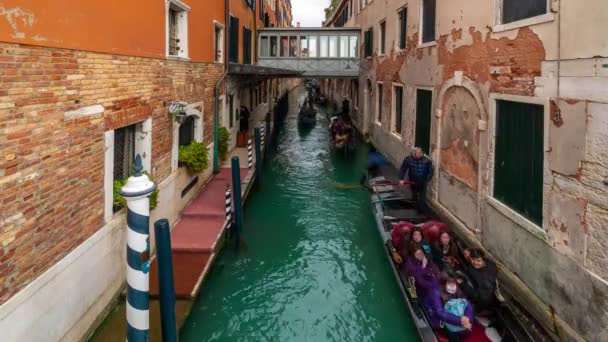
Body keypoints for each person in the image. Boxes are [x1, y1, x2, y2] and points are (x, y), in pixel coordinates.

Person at [424, 271, 474, 341]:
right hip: (437, 318)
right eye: (449, 284)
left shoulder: (457, 290)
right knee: (454, 334)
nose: (452, 287)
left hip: (452, 314)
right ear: (444, 283)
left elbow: (467, 304)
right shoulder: (435, 292)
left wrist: (467, 318)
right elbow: (439, 313)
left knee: (467, 332)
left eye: (454, 284)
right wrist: (460, 320)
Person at [459, 248, 497, 313]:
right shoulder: (489, 263)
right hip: (479, 289)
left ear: (483, 260)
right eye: (472, 260)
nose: (475, 263)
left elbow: (479, 296)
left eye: (478, 261)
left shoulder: (485, 279)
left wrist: (462, 284)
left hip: (481, 301)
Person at [399, 147, 434, 215]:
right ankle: (415, 209)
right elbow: (403, 169)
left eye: (420, 153)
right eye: (417, 153)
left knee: (422, 198)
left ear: (422, 153)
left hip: (422, 182)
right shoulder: (408, 159)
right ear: (414, 153)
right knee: (414, 195)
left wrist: (426, 180)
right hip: (413, 181)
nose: (418, 155)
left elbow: (431, 172)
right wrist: (401, 179)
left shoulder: (427, 161)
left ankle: (422, 212)